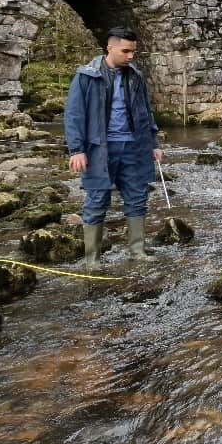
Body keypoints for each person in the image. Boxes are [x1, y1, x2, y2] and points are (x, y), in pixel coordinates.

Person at [64, 27, 163, 268]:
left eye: (133, 52)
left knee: (138, 197)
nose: (130, 56)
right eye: (125, 51)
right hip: (100, 149)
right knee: (97, 199)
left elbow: (145, 111)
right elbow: (74, 114)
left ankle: (137, 251)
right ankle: (92, 260)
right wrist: (76, 150)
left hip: (134, 147)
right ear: (110, 48)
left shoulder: (136, 76)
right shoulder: (86, 76)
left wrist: (153, 143)